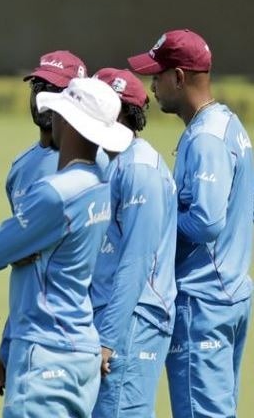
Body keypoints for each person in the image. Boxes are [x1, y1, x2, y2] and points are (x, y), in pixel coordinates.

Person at [0, 77, 133, 418]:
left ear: (68, 123)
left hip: (46, 354)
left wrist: (19, 251)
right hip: (81, 352)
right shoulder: (101, 185)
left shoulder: (53, 193)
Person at [129, 29, 254, 418]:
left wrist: (154, 219)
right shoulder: (227, 125)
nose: (152, 84)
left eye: (158, 74)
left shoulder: (206, 139)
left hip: (202, 301)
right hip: (230, 292)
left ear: (179, 77)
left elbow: (205, 222)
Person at [0, 50, 88, 392]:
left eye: (55, 89)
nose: (43, 98)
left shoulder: (93, 166)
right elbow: (24, 269)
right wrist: (8, 343)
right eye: (38, 86)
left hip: (74, 340)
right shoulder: (21, 166)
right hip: (28, 336)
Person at [90, 68, 177, 417]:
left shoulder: (140, 169)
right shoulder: (111, 161)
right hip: (116, 316)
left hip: (132, 321)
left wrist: (107, 339)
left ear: (120, 112)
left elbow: (137, 260)